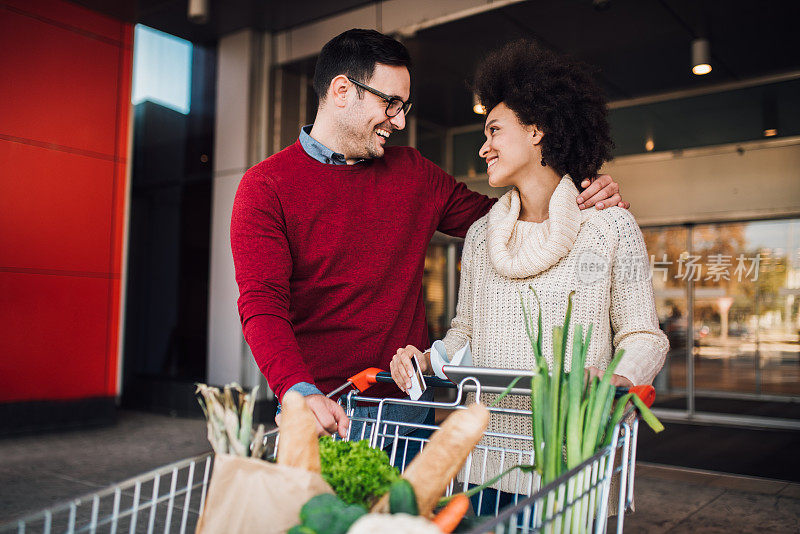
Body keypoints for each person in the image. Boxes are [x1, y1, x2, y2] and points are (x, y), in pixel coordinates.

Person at [231, 29, 628, 441]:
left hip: (408, 407)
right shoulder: (266, 187)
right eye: (391, 104)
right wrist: (298, 392)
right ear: (342, 90)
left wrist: (581, 192)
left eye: (405, 107)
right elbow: (262, 306)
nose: (400, 121)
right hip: (323, 408)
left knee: (411, 509)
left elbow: (509, 219)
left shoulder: (413, 173)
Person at [389, 40, 668, 507]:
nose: (484, 147)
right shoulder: (480, 236)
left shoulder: (610, 226)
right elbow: (465, 334)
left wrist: (618, 379)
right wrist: (427, 358)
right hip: (486, 468)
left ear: (537, 130)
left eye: (494, 130)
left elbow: (644, 334)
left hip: (570, 467)